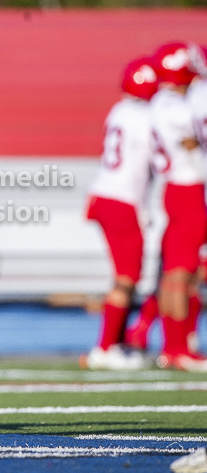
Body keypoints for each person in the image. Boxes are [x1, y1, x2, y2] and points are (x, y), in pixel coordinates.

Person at [81, 57, 157, 370]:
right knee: (126, 279)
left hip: (106, 194)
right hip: (122, 200)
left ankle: (119, 341)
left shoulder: (121, 110)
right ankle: (106, 347)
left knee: (131, 277)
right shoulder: (149, 117)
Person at [148, 42, 206, 371]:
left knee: (176, 275)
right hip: (188, 188)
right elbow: (191, 138)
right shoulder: (179, 103)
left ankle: (173, 347)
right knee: (182, 275)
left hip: (175, 186)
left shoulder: (161, 101)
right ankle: (180, 348)